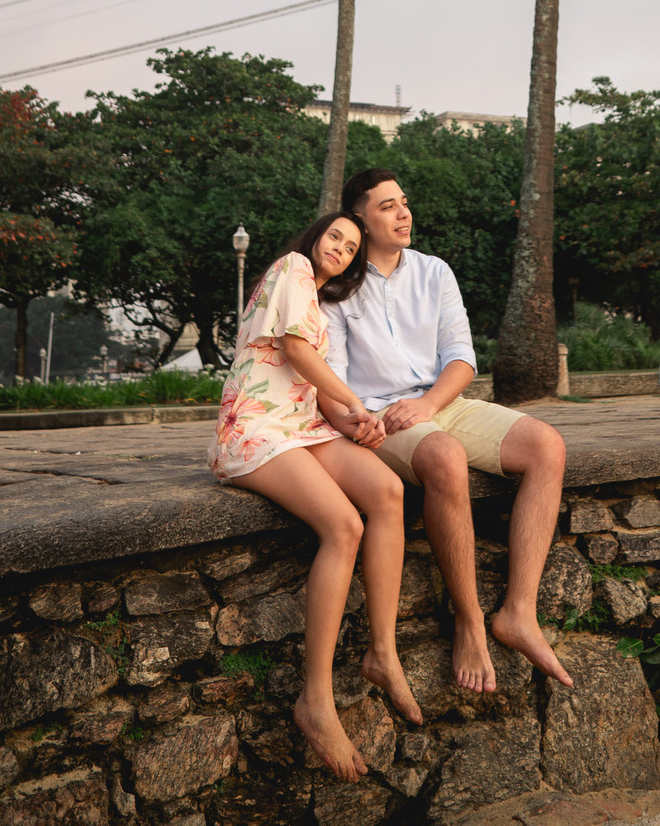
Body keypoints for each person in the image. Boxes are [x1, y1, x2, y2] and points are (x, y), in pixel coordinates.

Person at [325, 168, 572, 696]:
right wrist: (359, 417)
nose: (403, 213)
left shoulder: (435, 272)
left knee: (546, 445)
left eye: (404, 202)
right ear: (360, 220)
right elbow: (335, 378)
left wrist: (430, 403)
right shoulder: (339, 288)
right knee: (443, 456)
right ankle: (471, 620)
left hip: (442, 401)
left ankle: (518, 613)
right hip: (379, 417)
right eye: (388, 206)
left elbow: (460, 357)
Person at [208, 211, 420, 783]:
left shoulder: (317, 299)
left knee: (386, 489)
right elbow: (299, 356)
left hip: (301, 428)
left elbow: (309, 385)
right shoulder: (292, 267)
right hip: (255, 428)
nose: (342, 250)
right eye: (336, 237)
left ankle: (383, 651)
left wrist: (356, 426)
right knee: (344, 526)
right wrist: (361, 407)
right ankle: (316, 700)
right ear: (314, 236)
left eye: (352, 247)